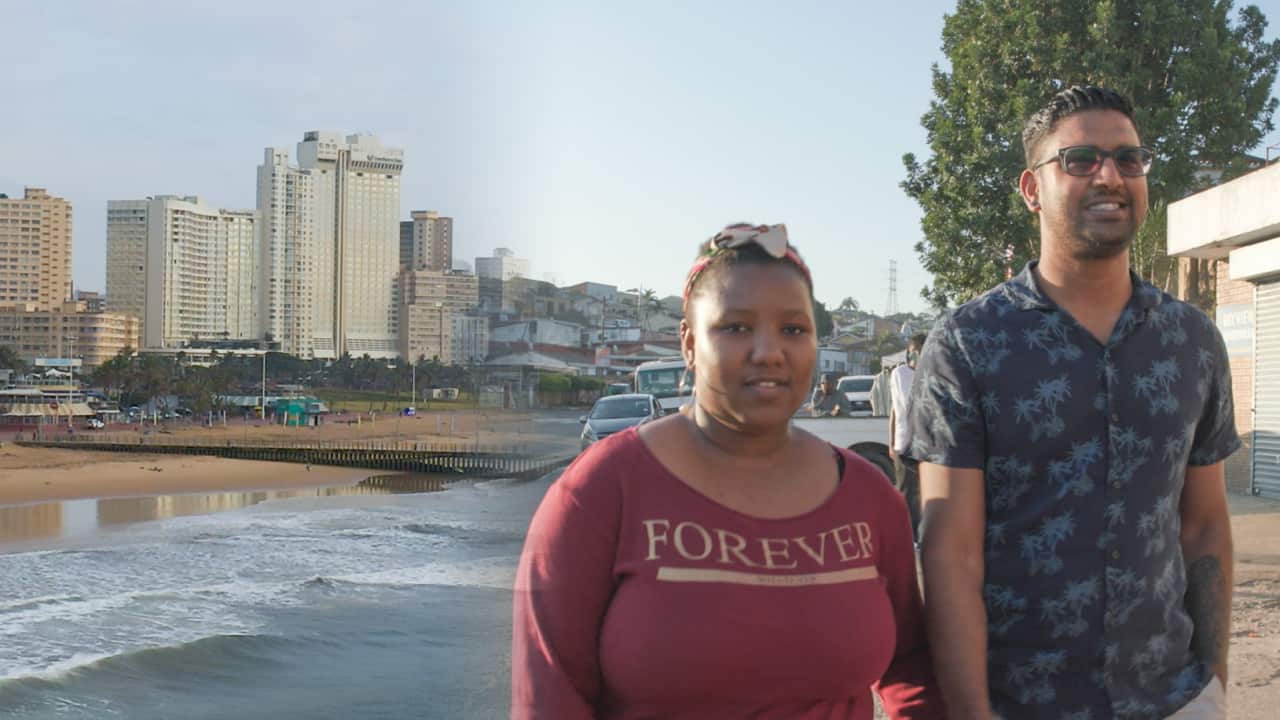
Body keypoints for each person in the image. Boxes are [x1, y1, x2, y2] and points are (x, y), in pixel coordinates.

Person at [513, 223, 942, 719]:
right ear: (689, 343)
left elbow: (911, 669)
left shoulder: (869, 499)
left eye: (794, 329)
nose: (769, 351)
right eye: (736, 327)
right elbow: (549, 695)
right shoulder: (602, 490)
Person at [909, 86, 1238, 719]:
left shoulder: (1191, 342)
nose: (1110, 176)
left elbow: (1202, 525)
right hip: (1020, 703)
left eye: (1128, 159)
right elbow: (951, 552)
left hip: (1174, 699)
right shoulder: (969, 344)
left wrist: (1215, 683)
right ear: (1032, 189)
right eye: (1081, 159)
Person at [888, 333, 926, 539]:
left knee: (924, 494)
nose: (916, 357)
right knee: (905, 493)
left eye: (920, 353)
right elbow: (897, 408)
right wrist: (891, 441)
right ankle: (905, 537)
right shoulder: (899, 374)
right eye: (913, 353)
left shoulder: (931, 372)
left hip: (926, 445)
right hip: (904, 443)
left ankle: (920, 537)